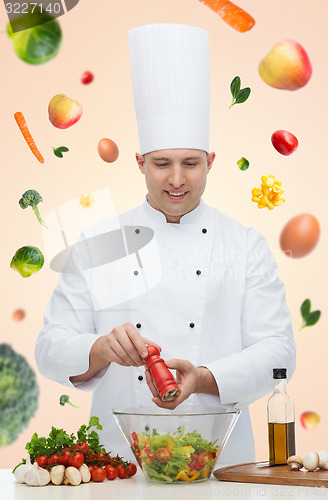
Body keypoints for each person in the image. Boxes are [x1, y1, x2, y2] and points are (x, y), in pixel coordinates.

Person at [35, 24, 296, 464]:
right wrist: (98, 350)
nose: (177, 179)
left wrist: (205, 377)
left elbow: (279, 352)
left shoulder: (245, 245)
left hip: (221, 466)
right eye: (161, 164)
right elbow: (48, 346)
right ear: (139, 162)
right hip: (119, 467)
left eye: (191, 163)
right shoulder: (99, 241)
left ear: (210, 161)